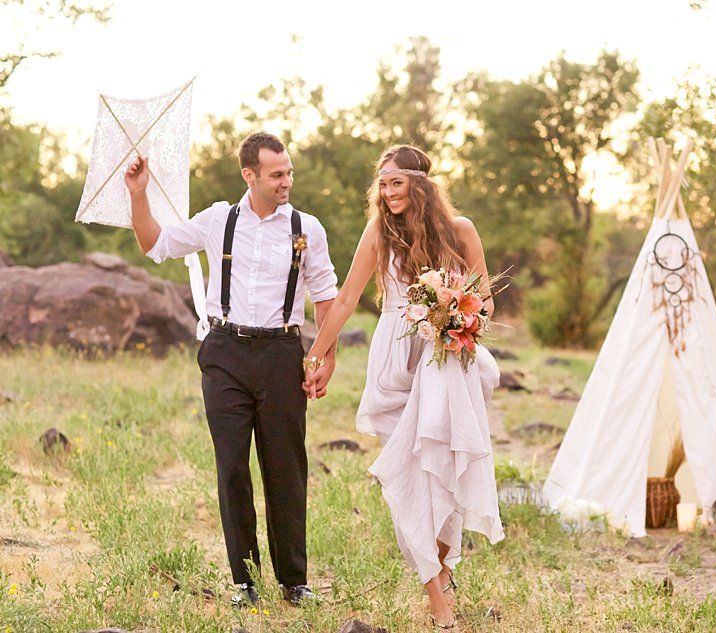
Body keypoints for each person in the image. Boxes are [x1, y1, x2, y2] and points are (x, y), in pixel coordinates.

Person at [124, 132, 338, 607]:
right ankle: (245, 581)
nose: (287, 181)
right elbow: (154, 243)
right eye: (277, 174)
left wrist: (326, 356)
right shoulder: (218, 220)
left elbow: (325, 296)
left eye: (289, 172)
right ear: (250, 174)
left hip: (283, 353)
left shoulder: (308, 227)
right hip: (225, 352)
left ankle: (294, 582)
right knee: (232, 467)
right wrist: (138, 195)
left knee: (285, 467)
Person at [302, 144, 504, 629]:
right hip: (397, 356)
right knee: (409, 478)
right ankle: (436, 595)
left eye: (397, 182)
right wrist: (316, 352)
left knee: (444, 469)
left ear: (420, 185)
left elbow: (488, 303)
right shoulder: (380, 233)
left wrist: (458, 309)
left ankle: (440, 564)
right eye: (383, 184)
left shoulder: (461, 231)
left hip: (449, 356)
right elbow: (347, 298)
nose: (389, 192)